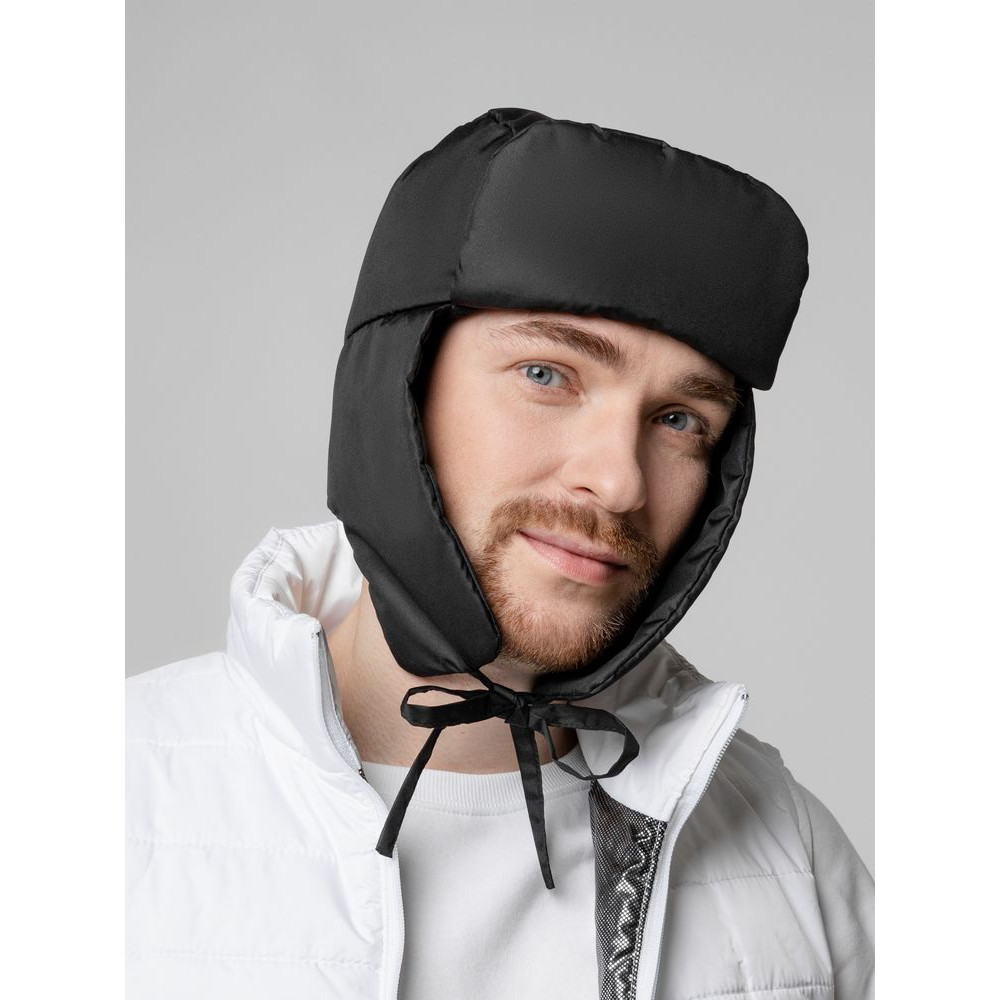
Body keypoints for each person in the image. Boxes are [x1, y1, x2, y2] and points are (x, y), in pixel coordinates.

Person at [126, 108, 874, 1000]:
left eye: (681, 420)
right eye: (547, 375)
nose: (619, 481)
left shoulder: (786, 849)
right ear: (397, 388)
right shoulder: (97, 797)